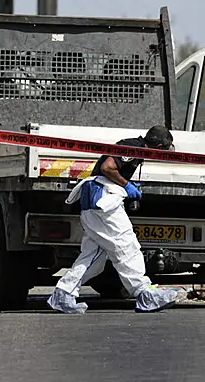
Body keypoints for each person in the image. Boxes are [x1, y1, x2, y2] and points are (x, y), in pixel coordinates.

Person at [47, 125, 185, 314]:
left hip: (94, 200)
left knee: (94, 255)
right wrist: (126, 185)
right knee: (126, 244)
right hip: (104, 201)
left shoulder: (133, 146)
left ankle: (64, 293)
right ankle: (144, 293)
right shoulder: (134, 148)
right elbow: (107, 167)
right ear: (158, 145)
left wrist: (125, 183)